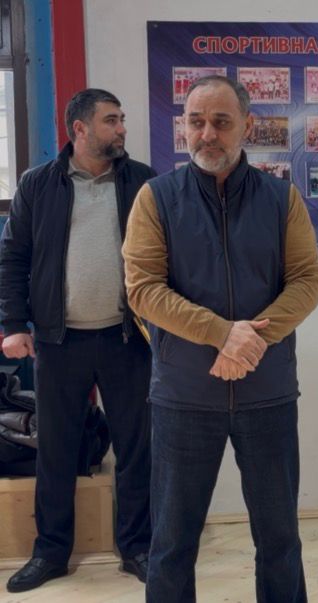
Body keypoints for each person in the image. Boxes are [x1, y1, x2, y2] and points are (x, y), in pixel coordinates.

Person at [122, 75, 318, 602]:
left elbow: (307, 282)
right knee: (171, 544)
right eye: (196, 121)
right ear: (183, 126)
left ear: (247, 126)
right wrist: (221, 334)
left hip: (267, 393)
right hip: (184, 395)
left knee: (280, 541)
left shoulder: (282, 199)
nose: (207, 134)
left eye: (221, 122)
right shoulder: (156, 198)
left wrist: (249, 342)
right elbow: (143, 289)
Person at [0, 89, 154, 593]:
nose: (122, 128)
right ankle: (50, 552)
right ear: (80, 129)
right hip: (57, 341)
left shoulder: (143, 182)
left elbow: (164, 259)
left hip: (128, 339)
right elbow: (13, 258)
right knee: (57, 451)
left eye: (121, 118)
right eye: (111, 120)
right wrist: (12, 325)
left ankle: (137, 547)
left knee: (137, 448)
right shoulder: (38, 184)